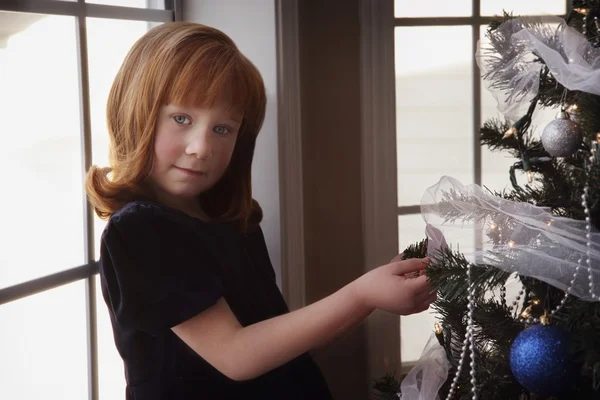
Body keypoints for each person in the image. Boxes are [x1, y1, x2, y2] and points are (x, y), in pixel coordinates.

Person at [85, 22, 436, 400]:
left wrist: (375, 291)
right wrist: (364, 295)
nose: (201, 147)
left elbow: (277, 341)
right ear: (135, 113)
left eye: (223, 129)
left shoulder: (233, 220)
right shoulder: (140, 231)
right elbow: (237, 355)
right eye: (181, 119)